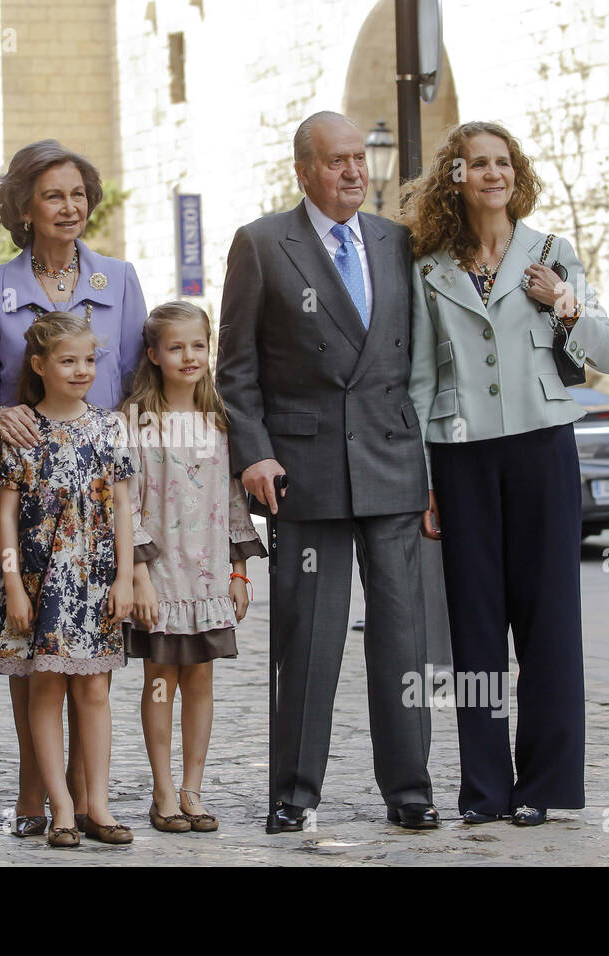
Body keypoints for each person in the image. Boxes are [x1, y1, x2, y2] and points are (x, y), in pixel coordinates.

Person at [217, 110, 438, 833]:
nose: (353, 171)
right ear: (304, 171)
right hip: (303, 471)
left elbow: (420, 366)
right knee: (308, 640)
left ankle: (410, 790)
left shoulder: (397, 242)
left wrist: (434, 468)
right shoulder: (260, 244)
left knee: (403, 636)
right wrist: (253, 451)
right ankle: (294, 793)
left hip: (394, 465)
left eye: (358, 159)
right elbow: (237, 369)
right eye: (337, 160)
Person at [405, 121, 609, 826]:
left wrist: (562, 298)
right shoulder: (429, 266)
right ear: (457, 177)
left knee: (550, 623)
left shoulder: (552, 252)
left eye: (502, 162)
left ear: (514, 173)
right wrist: (424, 478)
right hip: (460, 458)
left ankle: (543, 787)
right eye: (477, 163)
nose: (492, 173)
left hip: (542, 450)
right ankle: (485, 790)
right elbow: (415, 381)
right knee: (474, 628)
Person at [0, 140, 146, 837]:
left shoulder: (119, 280)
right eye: (53, 196)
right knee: (30, 649)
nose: (70, 208)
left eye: (77, 194)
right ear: (24, 209)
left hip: (99, 493)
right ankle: (36, 793)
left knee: (92, 663)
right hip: (26, 493)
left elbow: (138, 379)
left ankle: (86, 796)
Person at [0, 310, 134, 848]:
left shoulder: (109, 426)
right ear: (39, 364)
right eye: (68, 360)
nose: (81, 370)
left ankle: (98, 802)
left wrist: (125, 577)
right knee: (45, 689)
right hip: (39, 582)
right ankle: (62, 808)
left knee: (95, 689)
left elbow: (122, 507)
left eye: (89, 360)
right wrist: (12, 585)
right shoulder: (21, 430)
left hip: (96, 580)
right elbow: (6, 515)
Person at [123, 301, 266, 834]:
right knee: (160, 682)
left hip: (207, 581)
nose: (189, 356)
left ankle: (193, 789)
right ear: (154, 354)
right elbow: (128, 504)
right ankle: (162, 791)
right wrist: (137, 576)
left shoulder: (220, 421)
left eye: (198, 346)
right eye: (176, 346)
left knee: (200, 683)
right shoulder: (135, 422)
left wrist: (238, 572)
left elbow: (233, 503)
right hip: (158, 581)